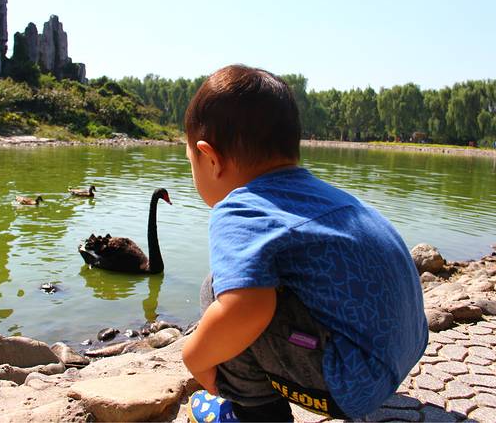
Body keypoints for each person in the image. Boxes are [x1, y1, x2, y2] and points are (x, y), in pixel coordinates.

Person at [182, 64, 428, 422]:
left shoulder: (241, 207)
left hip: (352, 385)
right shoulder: (325, 197)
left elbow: (245, 311)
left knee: (220, 295)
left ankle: (256, 415)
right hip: (402, 353)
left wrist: (194, 357)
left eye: (190, 162)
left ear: (210, 158)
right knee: (238, 284)